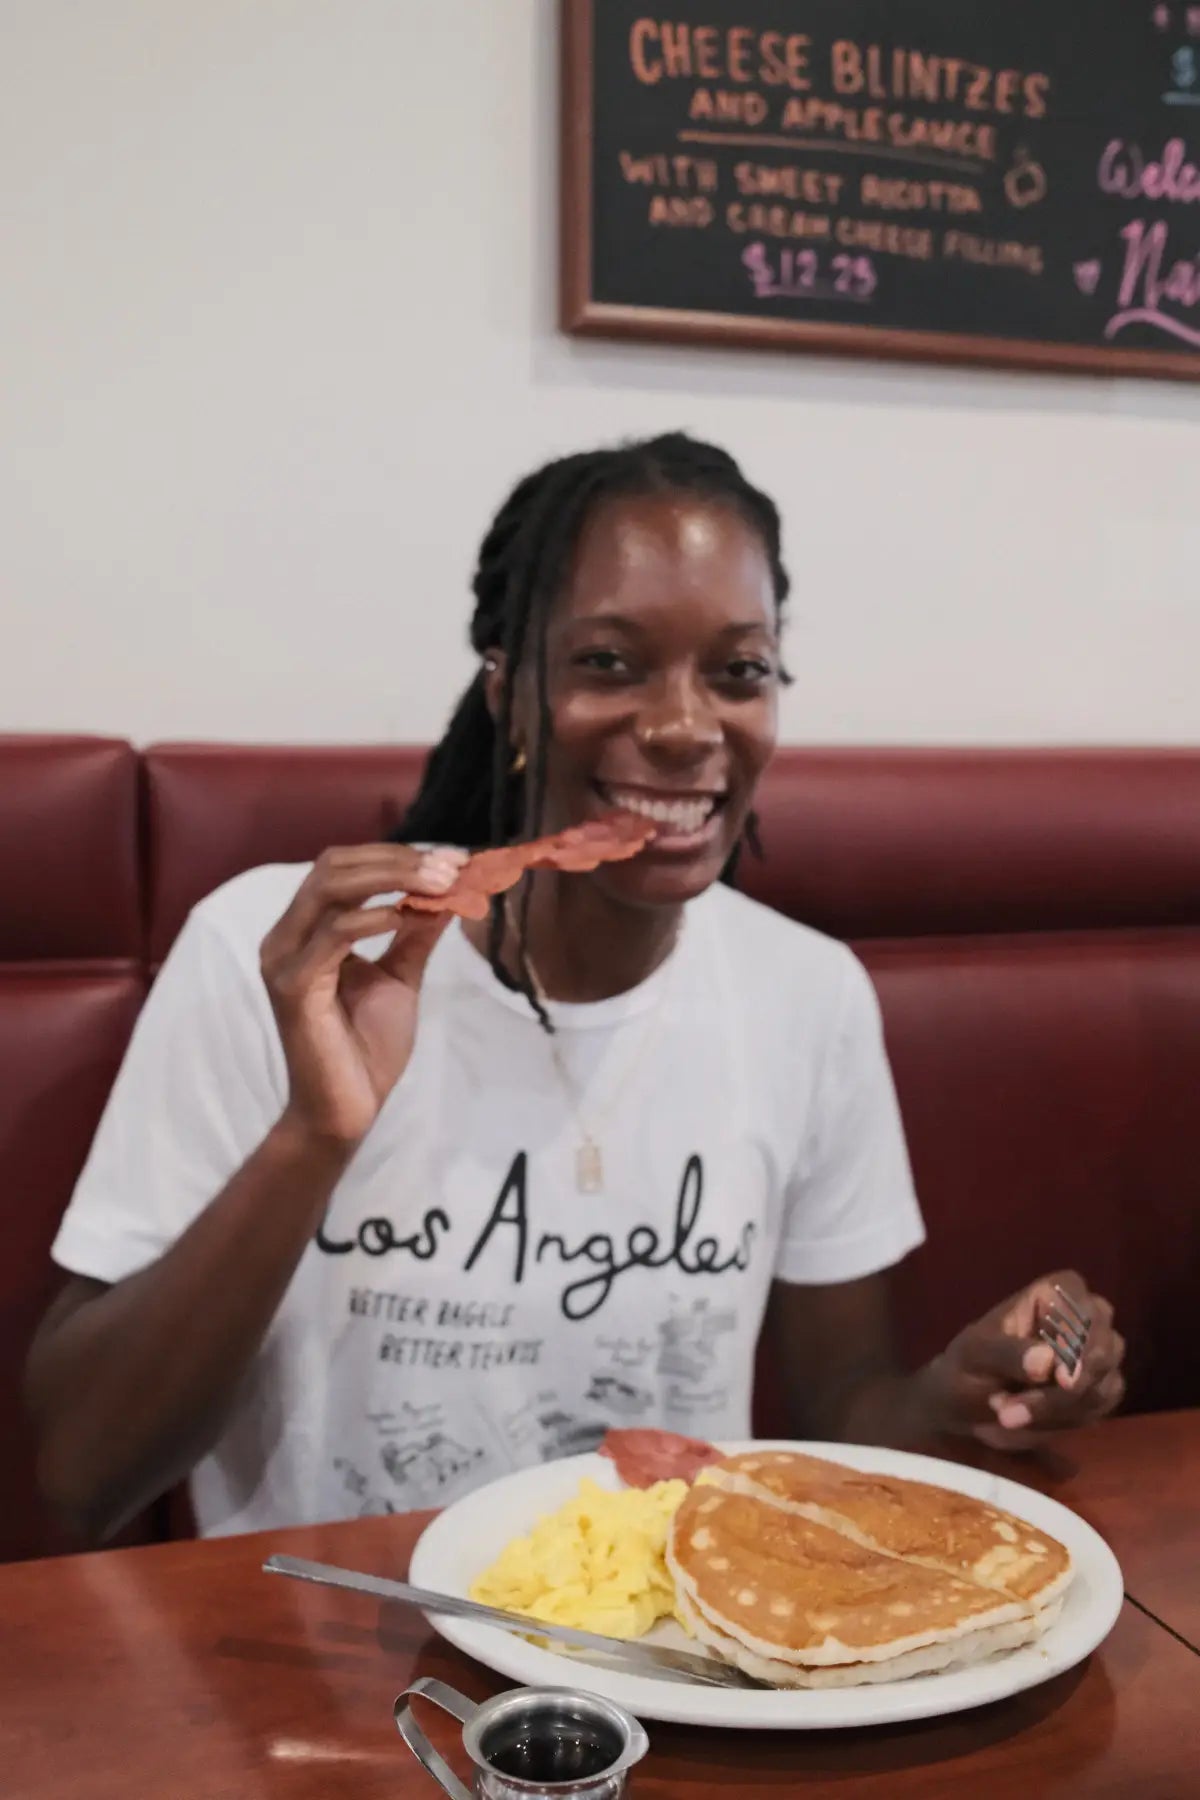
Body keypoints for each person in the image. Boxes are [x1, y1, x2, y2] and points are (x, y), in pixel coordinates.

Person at [25, 432, 1125, 1544]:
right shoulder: (279, 957)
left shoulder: (809, 995)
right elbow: (82, 1469)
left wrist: (963, 1397)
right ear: (507, 688)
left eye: (738, 670)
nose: (687, 726)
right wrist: (314, 1136)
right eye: (609, 662)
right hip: (325, 1666)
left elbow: (845, 1409)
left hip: (671, 1658)